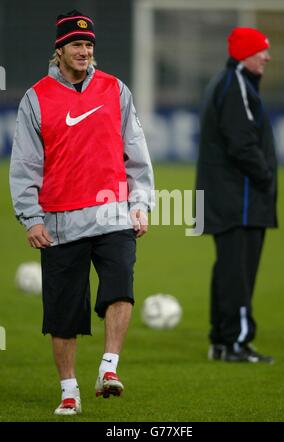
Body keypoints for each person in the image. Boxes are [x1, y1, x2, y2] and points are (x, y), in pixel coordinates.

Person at [10, 10, 154, 415]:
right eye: (76, 44)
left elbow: (137, 152)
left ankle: (109, 369)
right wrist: (31, 216)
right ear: (59, 50)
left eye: (89, 45)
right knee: (63, 315)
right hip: (59, 221)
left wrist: (140, 204)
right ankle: (69, 390)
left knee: (120, 287)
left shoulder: (115, 89)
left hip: (114, 213)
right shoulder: (36, 98)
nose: (84, 51)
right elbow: (24, 164)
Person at [196, 27, 277, 363]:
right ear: (246, 53)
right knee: (239, 273)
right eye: (262, 51)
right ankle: (237, 343)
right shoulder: (236, 84)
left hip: (226, 198)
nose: (268, 57)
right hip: (238, 199)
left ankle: (221, 340)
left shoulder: (228, 82)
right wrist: (266, 176)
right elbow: (241, 142)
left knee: (229, 270)